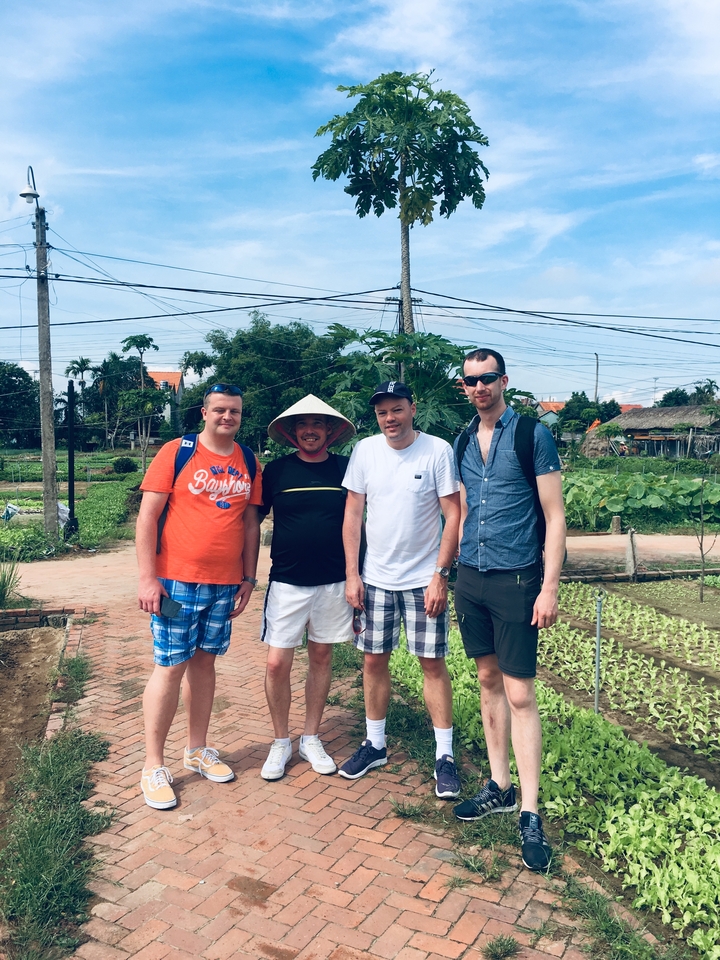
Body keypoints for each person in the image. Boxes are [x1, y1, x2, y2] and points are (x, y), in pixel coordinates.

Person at [451, 349, 566, 873]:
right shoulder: (459, 441)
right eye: (471, 381)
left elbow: (555, 515)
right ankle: (498, 784)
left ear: (504, 381)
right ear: (464, 386)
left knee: (521, 692)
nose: (480, 388)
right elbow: (460, 510)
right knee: (488, 680)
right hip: (470, 575)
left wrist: (549, 587)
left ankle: (530, 810)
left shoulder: (530, 435)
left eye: (488, 379)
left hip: (517, 578)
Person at [136, 383, 262, 809]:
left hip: (224, 584)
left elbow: (249, 524)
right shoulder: (177, 451)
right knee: (170, 666)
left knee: (205, 663)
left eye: (235, 412)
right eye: (220, 410)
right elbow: (148, 517)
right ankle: (153, 764)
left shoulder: (248, 460)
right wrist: (147, 579)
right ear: (204, 412)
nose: (228, 417)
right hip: (175, 582)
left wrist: (249, 577)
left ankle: (196, 749)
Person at [340, 381, 462, 798]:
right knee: (373, 661)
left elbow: (453, 513)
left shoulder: (437, 451)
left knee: (432, 663)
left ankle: (444, 755)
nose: (389, 419)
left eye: (396, 410)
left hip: (422, 580)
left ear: (413, 408)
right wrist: (352, 575)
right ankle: (374, 744)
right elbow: (353, 514)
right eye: (382, 413)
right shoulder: (365, 451)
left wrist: (441, 575)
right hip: (375, 578)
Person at [258, 395, 356, 780]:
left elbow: (362, 520)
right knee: (276, 662)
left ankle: (311, 736)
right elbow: (251, 522)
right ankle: (281, 741)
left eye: (319, 424)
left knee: (321, 658)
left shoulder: (346, 470)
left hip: (334, 582)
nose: (311, 430)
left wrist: (356, 575)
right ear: (292, 431)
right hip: (286, 581)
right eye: (303, 424)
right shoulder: (277, 472)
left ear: (330, 431)